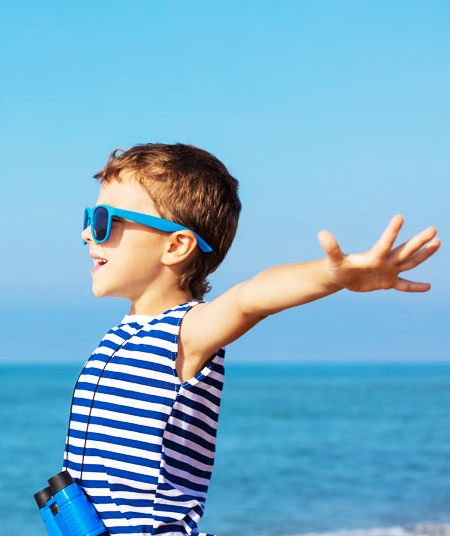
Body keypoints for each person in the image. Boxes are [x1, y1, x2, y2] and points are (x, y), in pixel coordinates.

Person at [62, 143, 439, 536]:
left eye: (105, 220)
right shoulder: (123, 335)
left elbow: (250, 299)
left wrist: (333, 275)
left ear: (175, 246)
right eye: (89, 216)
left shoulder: (185, 331)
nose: (88, 233)